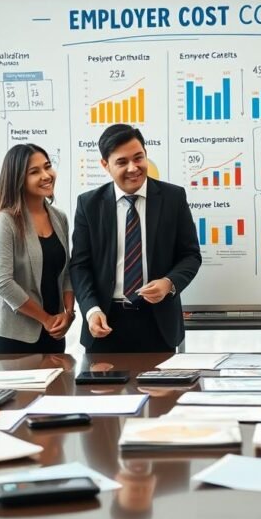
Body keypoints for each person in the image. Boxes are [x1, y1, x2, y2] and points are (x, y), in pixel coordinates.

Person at [69, 124, 201, 352]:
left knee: (160, 389)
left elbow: (190, 255)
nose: (133, 168)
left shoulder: (173, 198)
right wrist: (91, 310)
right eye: (122, 162)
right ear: (105, 165)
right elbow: (80, 266)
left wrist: (169, 283)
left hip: (159, 323)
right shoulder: (89, 204)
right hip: (105, 322)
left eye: (138, 158)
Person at [0, 143, 75, 353]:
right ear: (18, 180)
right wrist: (45, 319)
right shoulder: (4, 221)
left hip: (54, 330)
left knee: (57, 386)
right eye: (35, 172)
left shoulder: (59, 217)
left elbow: (67, 272)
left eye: (48, 166)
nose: (46, 175)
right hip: (13, 335)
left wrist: (68, 314)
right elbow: (3, 283)